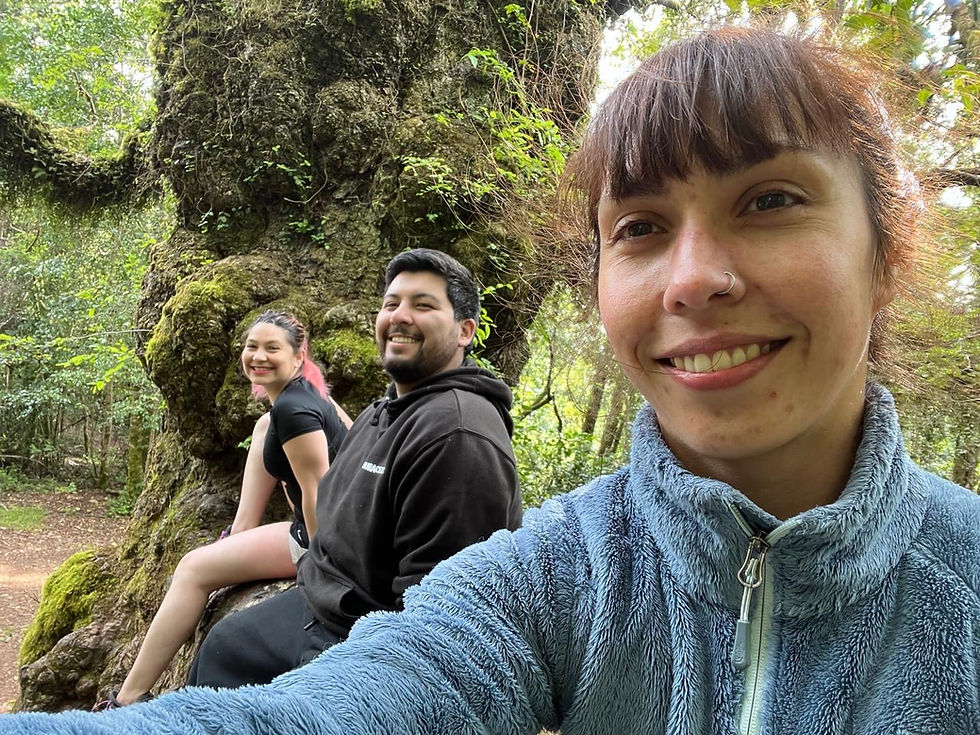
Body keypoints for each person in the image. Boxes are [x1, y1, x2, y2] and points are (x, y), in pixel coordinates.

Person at [4, 25, 978, 734]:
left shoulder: (458, 430)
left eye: (769, 200)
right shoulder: (560, 569)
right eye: (638, 226)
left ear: (883, 254)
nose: (692, 280)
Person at [181, 247, 522, 688]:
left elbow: (440, 614)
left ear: (464, 331)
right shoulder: (385, 409)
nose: (400, 316)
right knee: (223, 648)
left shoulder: (457, 434)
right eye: (391, 304)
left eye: (423, 305)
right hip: (321, 601)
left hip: (365, 644)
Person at [96, 311, 351, 708]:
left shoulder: (295, 411)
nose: (258, 356)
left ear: (299, 357)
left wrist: (323, 573)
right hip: (327, 531)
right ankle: (236, 537)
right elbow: (354, 445)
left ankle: (128, 698)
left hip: (326, 543)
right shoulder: (306, 398)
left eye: (272, 348)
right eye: (252, 347)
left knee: (193, 570)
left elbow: (318, 494)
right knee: (263, 428)